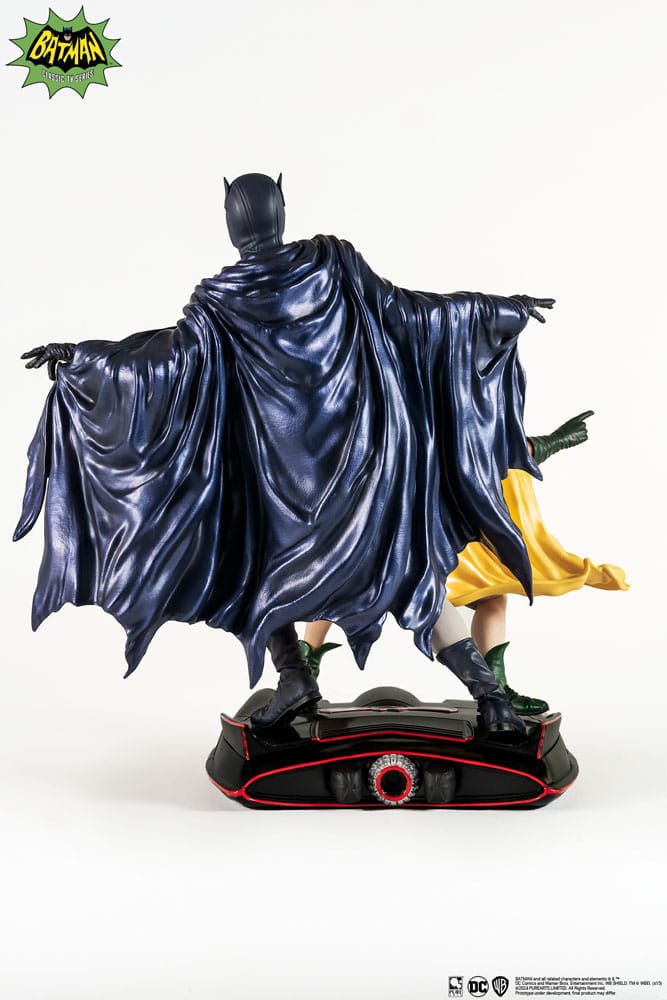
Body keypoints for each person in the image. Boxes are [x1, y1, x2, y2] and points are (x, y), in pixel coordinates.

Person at [15, 172, 554, 734]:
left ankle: (296, 674)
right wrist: (497, 311)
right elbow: (414, 314)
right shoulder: (332, 265)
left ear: (231, 224)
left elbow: (161, 364)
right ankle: (488, 698)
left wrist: (84, 360)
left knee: (249, 570)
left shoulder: (220, 302)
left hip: (285, 499)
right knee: (410, 574)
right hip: (368, 479)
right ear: (281, 208)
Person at [301, 413, 628, 714]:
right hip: (394, 534)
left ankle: (495, 690)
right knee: (338, 586)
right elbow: (482, 451)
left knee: (491, 599)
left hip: (428, 537)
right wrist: (549, 443)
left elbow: (483, 452)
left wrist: (546, 444)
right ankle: (300, 676)